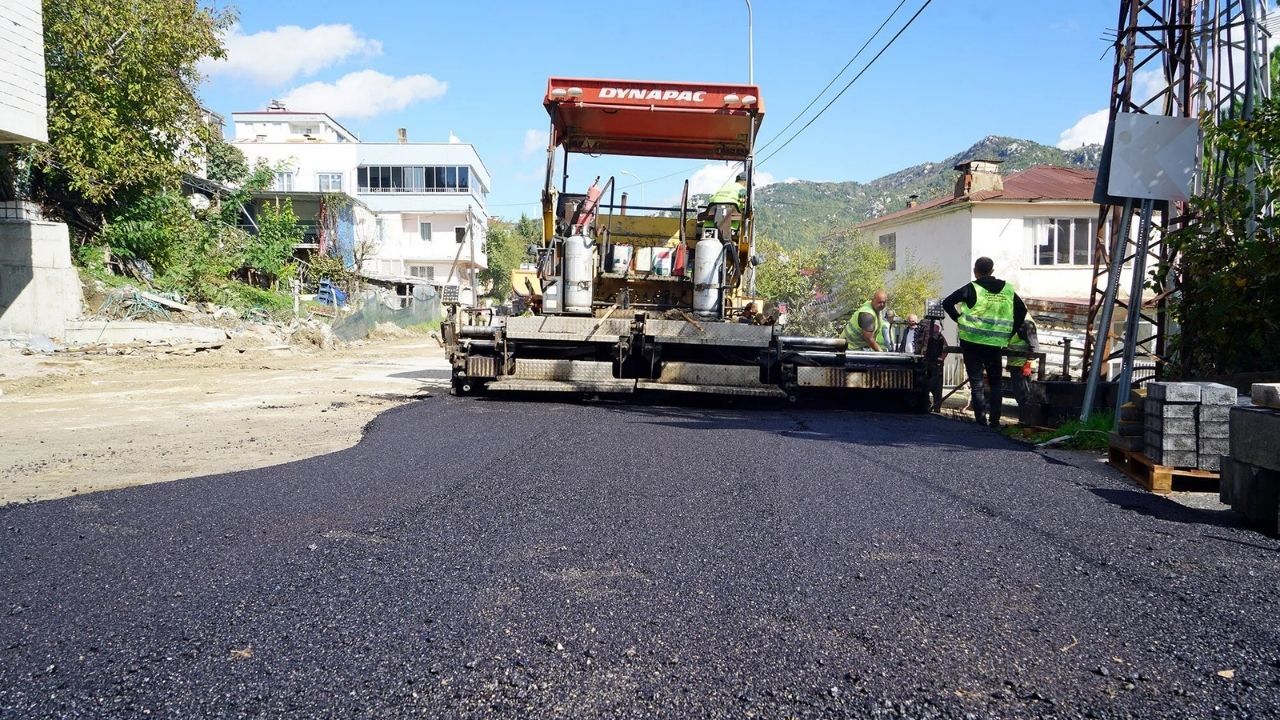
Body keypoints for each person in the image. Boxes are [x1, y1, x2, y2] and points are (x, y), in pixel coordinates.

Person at [942, 257, 1027, 427]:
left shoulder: (972, 288)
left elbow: (947, 302)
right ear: (992, 271)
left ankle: (980, 420)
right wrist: (1009, 331)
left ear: (975, 271)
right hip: (995, 344)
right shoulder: (1007, 290)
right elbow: (1022, 310)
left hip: (971, 342)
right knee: (996, 383)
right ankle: (994, 421)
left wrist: (959, 319)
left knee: (977, 383)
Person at [1006, 317, 1040, 410]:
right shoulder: (1016, 320)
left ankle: (1026, 415)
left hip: (1023, 366)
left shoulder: (1025, 323)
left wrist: (1028, 364)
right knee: (1020, 394)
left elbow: (1034, 347)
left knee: (1024, 395)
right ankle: (1024, 414)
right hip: (1016, 365)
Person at [707, 171, 748, 243]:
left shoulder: (724, 187)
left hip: (709, 224)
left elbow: (711, 200)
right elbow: (746, 206)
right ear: (745, 182)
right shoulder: (742, 189)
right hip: (730, 226)